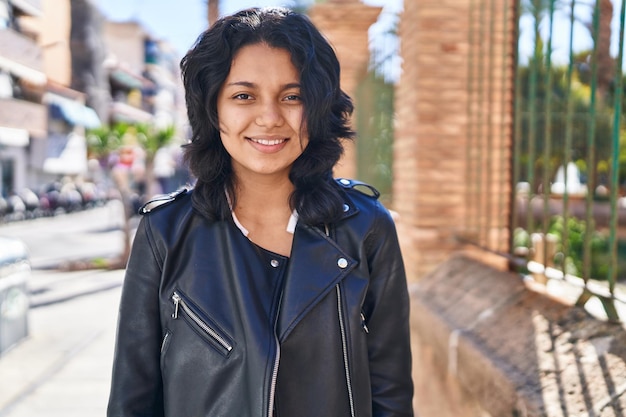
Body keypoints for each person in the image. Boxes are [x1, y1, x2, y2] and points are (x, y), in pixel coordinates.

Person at [107, 7, 413, 417]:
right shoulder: (164, 232)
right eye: (243, 96)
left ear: (317, 107)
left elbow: (390, 395)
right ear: (214, 110)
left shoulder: (367, 228)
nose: (269, 118)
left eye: (292, 96)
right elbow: (132, 399)